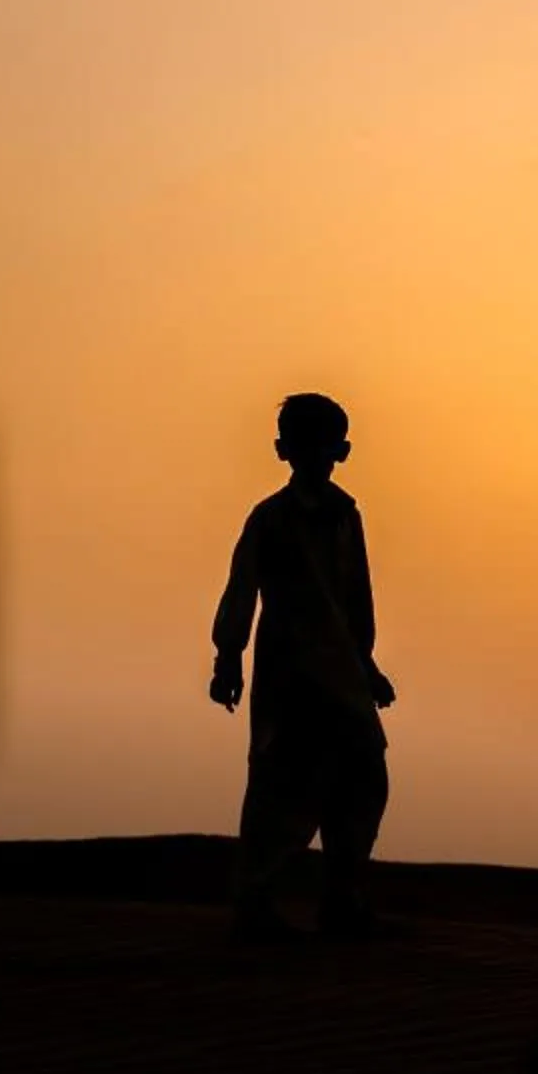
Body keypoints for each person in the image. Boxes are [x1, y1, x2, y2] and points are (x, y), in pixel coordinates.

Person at [210, 393, 395, 942]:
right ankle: (256, 903)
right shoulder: (270, 519)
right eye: (305, 444)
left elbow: (357, 601)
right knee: (282, 790)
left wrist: (367, 665)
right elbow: (241, 590)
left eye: (326, 445)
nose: (317, 456)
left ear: (343, 450)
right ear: (283, 450)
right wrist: (228, 659)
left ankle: (342, 897)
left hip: (342, 675)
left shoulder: (345, 515)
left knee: (361, 781)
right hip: (292, 676)